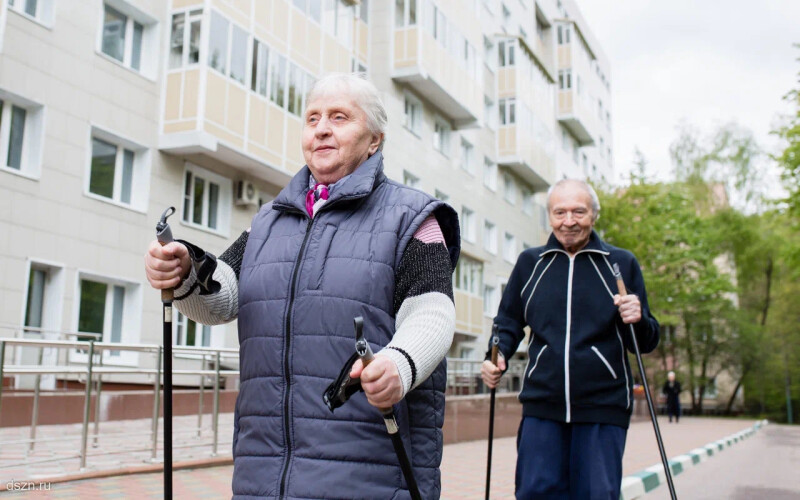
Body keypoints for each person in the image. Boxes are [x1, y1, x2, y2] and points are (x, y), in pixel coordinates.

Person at [144, 73, 460, 499]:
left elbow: (433, 314)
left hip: (368, 476)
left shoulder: (413, 217)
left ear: (374, 140)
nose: (322, 128)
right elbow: (223, 297)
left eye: (339, 116)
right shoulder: (270, 218)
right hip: (264, 474)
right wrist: (185, 271)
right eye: (312, 118)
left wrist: (398, 364)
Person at [480, 179, 659, 500]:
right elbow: (506, 323)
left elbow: (644, 341)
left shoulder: (620, 264)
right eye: (559, 212)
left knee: (595, 495)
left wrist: (638, 317)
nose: (569, 221)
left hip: (602, 408)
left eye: (579, 211)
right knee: (535, 494)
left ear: (594, 215)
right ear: (549, 216)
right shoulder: (531, 264)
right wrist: (496, 356)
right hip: (542, 407)